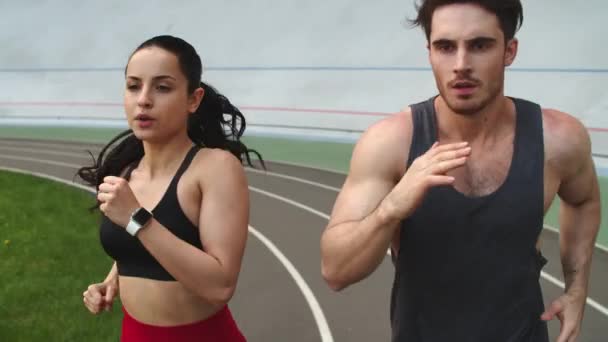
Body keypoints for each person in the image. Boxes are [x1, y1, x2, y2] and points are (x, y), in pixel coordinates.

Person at [320, 1, 601, 341]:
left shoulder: (558, 140)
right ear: (429, 53)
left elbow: (583, 201)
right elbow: (335, 271)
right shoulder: (390, 143)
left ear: (509, 51)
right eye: (445, 47)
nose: (461, 65)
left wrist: (576, 290)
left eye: (479, 45)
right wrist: (391, 208)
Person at [77, 35, 263, 341]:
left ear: (194, 99)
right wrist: (112, 281)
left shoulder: (215, 168)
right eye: (133, 85)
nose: (144, 99)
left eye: (162, 87)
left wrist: (136, 218)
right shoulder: (127, 172)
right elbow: (143, 246)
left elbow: (220, 286)